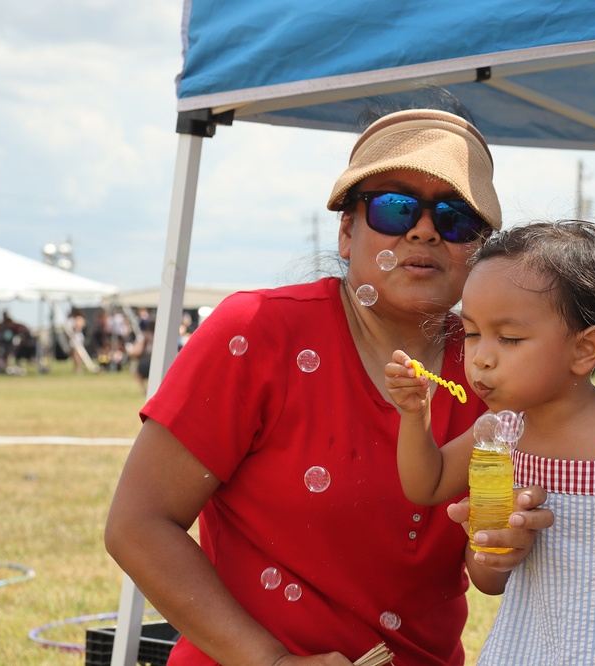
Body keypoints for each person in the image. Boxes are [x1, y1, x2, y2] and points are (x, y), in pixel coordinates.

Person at [105, 104, 554, 666]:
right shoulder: (258, 333)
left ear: (479, 251)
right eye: (394, 208)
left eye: (454, 218)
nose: (423, 230)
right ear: (346, 231)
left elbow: (486, 571)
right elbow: (138, 524)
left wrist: (503, 543)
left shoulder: (494, 372)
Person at [385, 221, 595, 665]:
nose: (482, 357)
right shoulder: (496, 435)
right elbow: (428, 487)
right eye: (471, 333)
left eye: (508, 338)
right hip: (531, 647)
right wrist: (416, 418)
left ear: (584, 349)